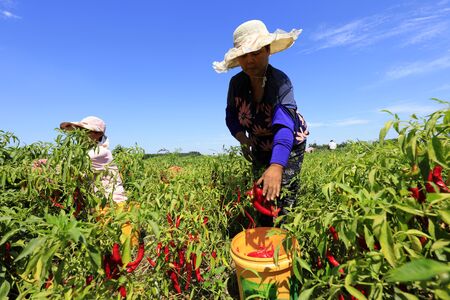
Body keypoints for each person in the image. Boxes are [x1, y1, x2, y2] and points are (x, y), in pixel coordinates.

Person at [213, 20, 309, 227]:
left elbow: (284, 126)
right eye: (244, 55)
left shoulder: (280, 81)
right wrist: (243, 139)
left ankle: (286, 236)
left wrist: (276, 165)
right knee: (262, 192)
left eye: (255, 53)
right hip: (259, 142)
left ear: (267, 51)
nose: (249, 61)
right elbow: (231, 116)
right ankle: (265, 231)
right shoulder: (237, 84)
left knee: (284, 190)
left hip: (288, 141)